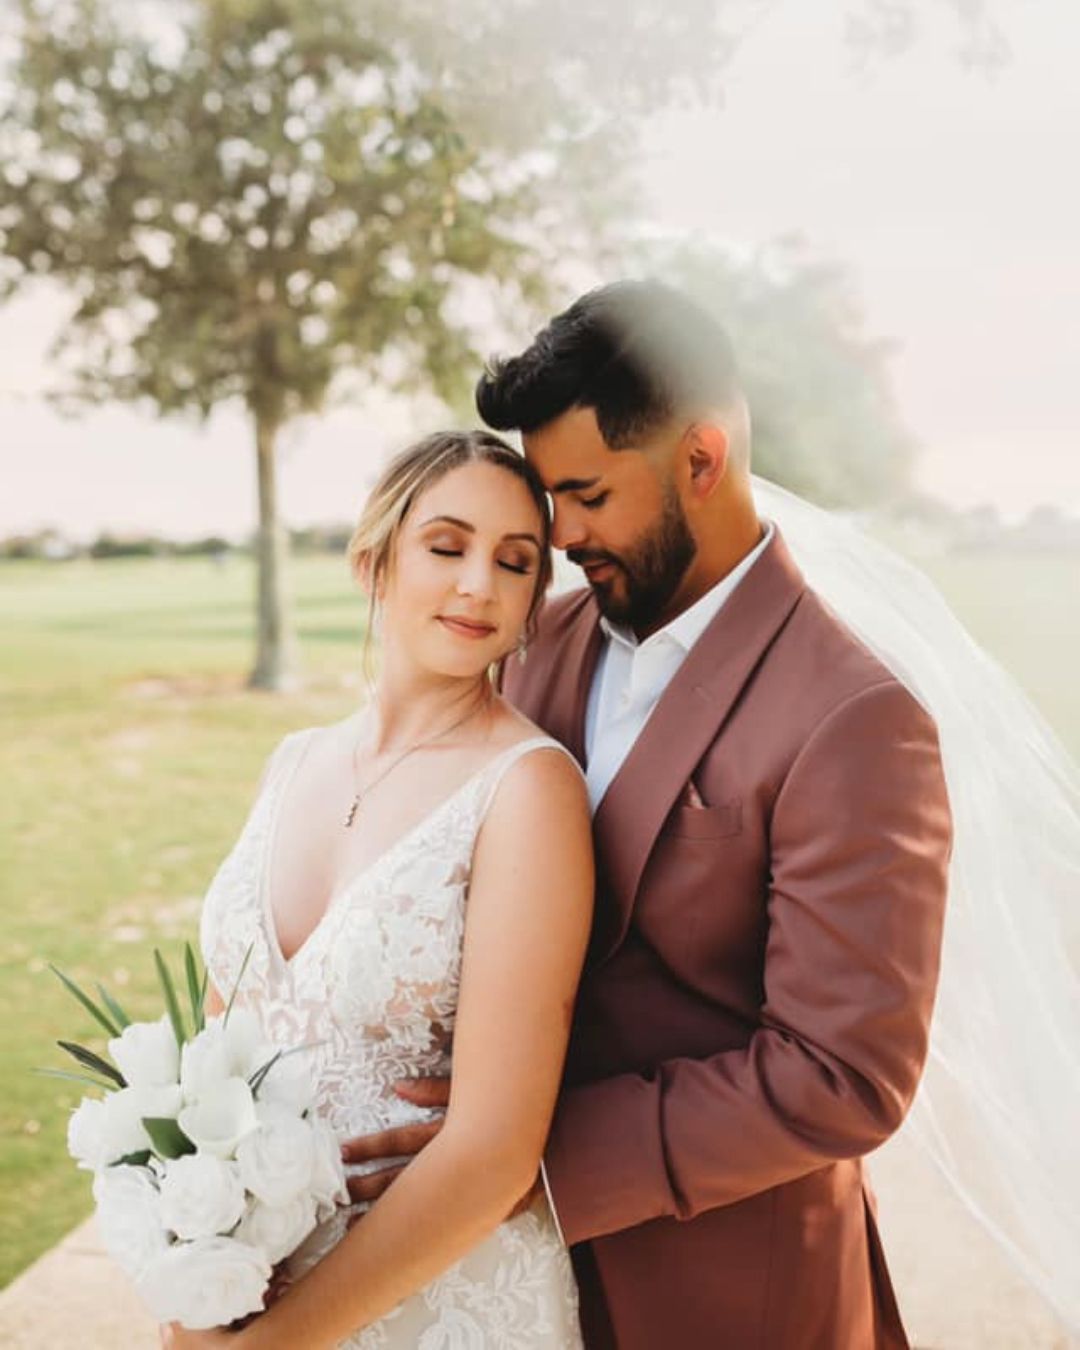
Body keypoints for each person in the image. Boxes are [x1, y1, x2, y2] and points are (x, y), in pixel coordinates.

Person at [342, 281, 956, 1349]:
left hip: (725, 1291)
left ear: (702, 461)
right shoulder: (541, 638)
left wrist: (522, 1158)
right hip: (501, 1283)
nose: (559, 531)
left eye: (585, 493)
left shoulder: (857, 717)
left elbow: (843, 1075)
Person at [165, 431, 593, 1348]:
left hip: (439, 1301)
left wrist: (275, 1346)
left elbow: (494, 1152)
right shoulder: (292, 763)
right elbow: (218, 1055)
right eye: (447, 547)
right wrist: (192, 1275)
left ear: (531, 604)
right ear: (375, 562)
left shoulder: (528, 790)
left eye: (514, 564)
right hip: (249, 1294)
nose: (479, 583)